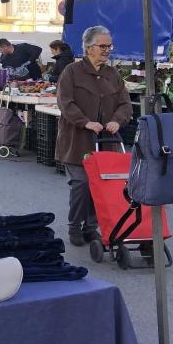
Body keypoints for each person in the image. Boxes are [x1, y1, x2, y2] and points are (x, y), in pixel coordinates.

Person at [55, 26, 132, 248]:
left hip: (106, 143)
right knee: (81, 183)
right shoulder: (71, 71)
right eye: (103, 46)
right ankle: (74, 226)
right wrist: (85, 122)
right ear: (89, 48)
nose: (108, 50)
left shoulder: (112, 74)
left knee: (101, 186)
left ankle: (91, 227)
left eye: (109, 46)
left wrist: (118, 119)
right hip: (77, 141)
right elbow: (65, 102)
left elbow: (125, 103)